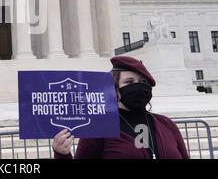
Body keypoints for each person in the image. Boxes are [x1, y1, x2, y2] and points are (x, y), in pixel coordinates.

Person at [52, 55, 189, 159]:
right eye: (129, 82)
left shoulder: (166, 124)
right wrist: (62, 154)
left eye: (143, 82)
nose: (138, 86)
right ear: (115, 88)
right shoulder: (98, 129)